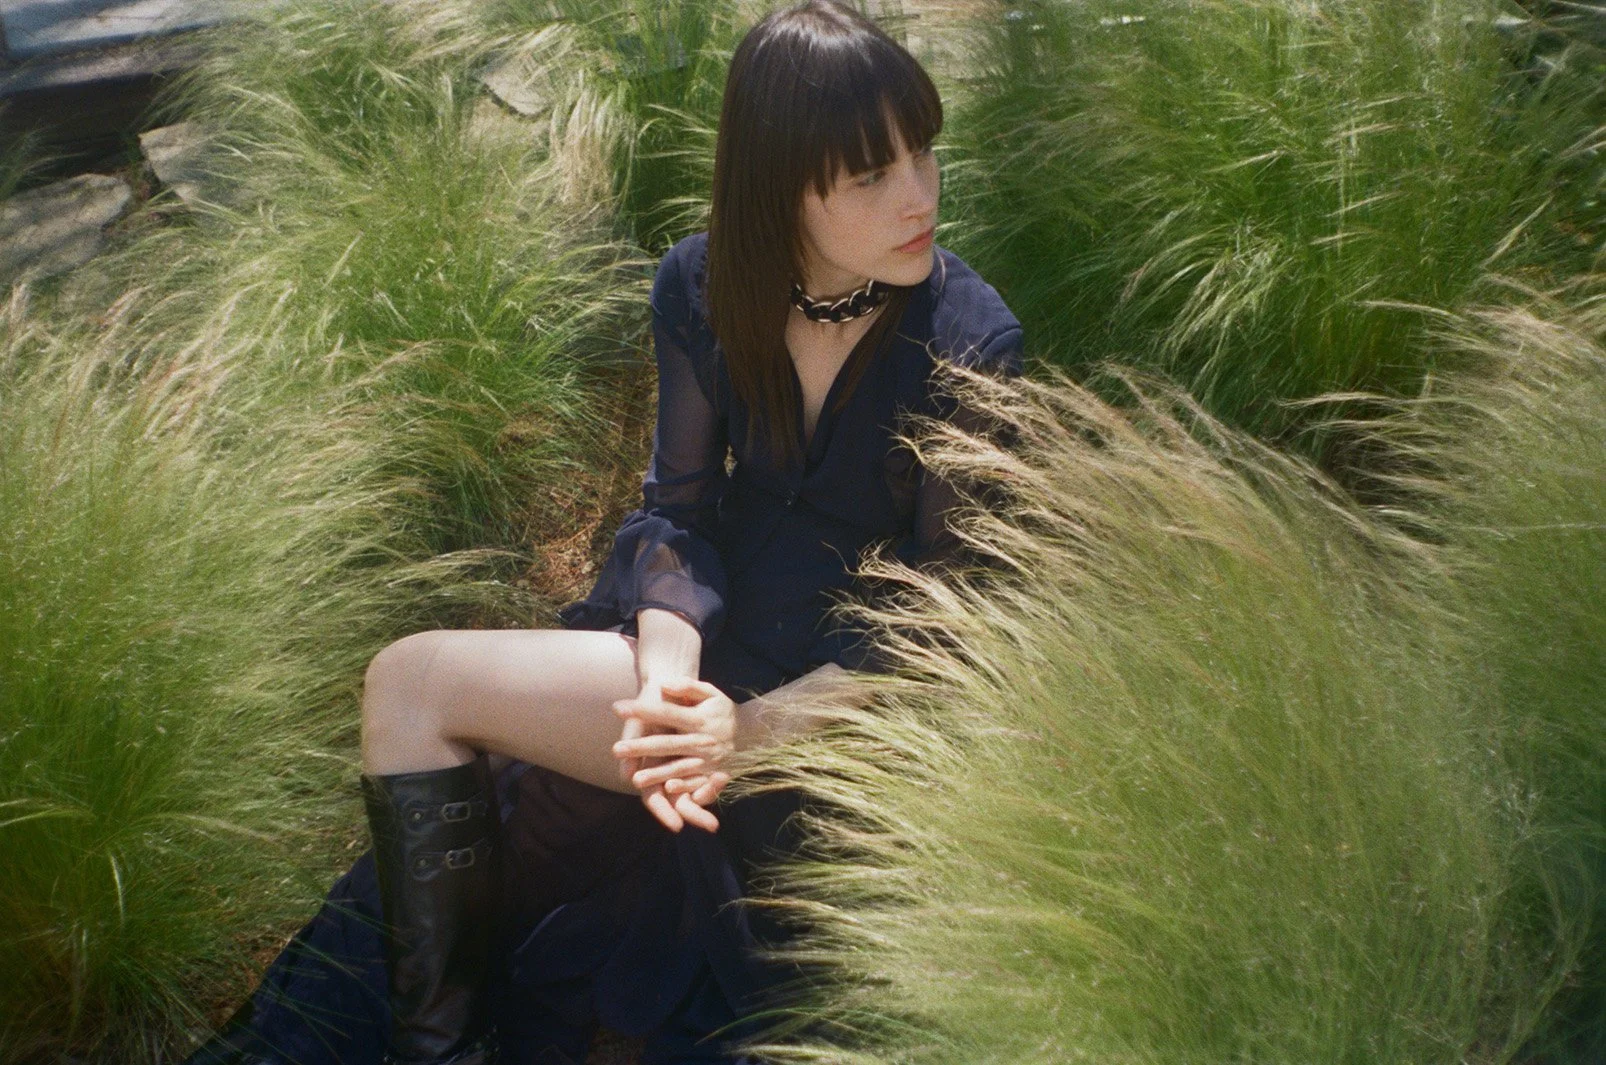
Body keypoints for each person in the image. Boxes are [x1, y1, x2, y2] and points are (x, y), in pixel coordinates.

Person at [183, 1, 1024, 1062]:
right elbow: (677, 507)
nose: (919, 196)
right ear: (779, 186)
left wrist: (746, 733)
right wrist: (669, 682)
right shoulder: (701, 283)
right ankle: (441, 1050)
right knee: (409, 680)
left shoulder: (971, 341)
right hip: (697, 646)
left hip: (834, 697)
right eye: (870, 175)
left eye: (923, 154)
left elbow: (946, 623)